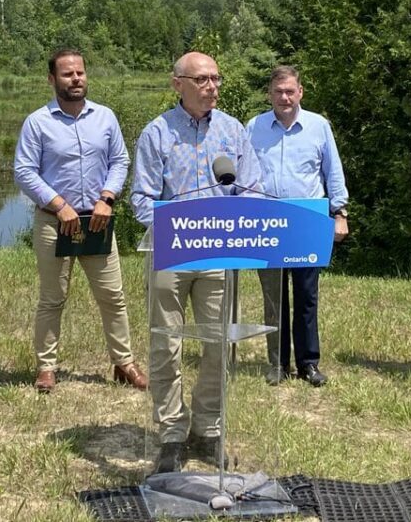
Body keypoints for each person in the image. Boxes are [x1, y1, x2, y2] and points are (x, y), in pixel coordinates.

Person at [131, 51, 263, 474]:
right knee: (165, 342)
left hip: (220, 253)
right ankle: (171, 433)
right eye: (202, 79)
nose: (212, 87)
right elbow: (140, 199)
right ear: (178, 85)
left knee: (219, 342)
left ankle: (208, 430)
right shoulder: (157, 133)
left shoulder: (233, 130)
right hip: (171, 251)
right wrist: (181, 222)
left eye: (216, 79)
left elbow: (253, 188)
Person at [14, 49, 148, 394]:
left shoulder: (105, 117)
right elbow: (24, 171)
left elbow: (120, 160)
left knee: (113, 296)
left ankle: (124, 363)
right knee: (52, 298)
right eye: (67, 74)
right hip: (54, 223)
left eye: (80, 73)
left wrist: (107, 198)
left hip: (98, 221)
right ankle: (46, 367)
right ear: (52, 80)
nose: (76, 79)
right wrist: (59, 205)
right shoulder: (38, 122)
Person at [245, 65, 349, 388]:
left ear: (300, 92)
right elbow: (244, 171)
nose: (285, 97)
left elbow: (333, 172)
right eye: (278, 92)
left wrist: (340, 212)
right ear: (269, 94)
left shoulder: (319, 127)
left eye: (290, 91)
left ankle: (308, 363)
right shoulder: (254, 127)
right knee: (274, 297)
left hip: (307, 221)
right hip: (267, 223)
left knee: (306, 295)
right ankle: (277, 364)